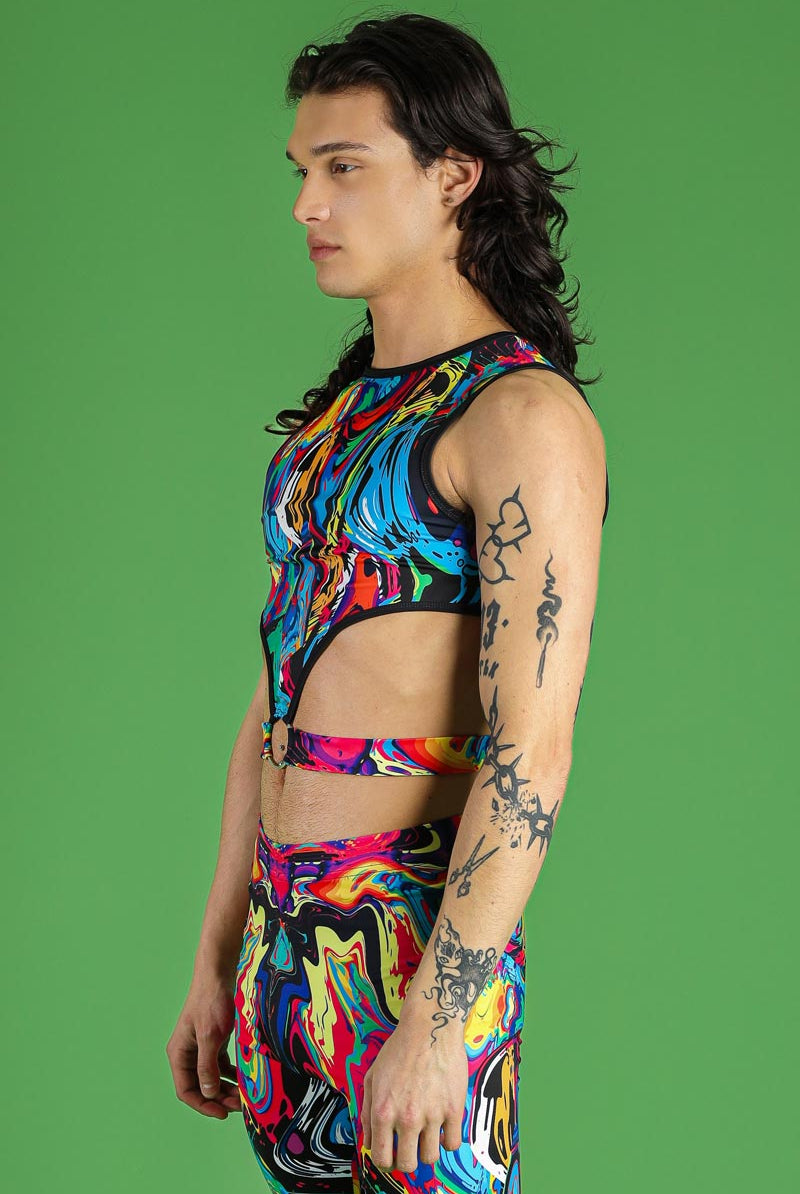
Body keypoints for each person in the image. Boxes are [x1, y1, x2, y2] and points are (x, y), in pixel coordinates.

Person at [166, 11, 609, 1193]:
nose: (306, 205)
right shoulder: (340, 416)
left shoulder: (521, 418)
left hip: (410, 955)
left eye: (344, 169)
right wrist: (218, 953)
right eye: (302, 172)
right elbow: (276, 689)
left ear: (453, 177)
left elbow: (531, 746)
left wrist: (438, 1020)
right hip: (281, 952)